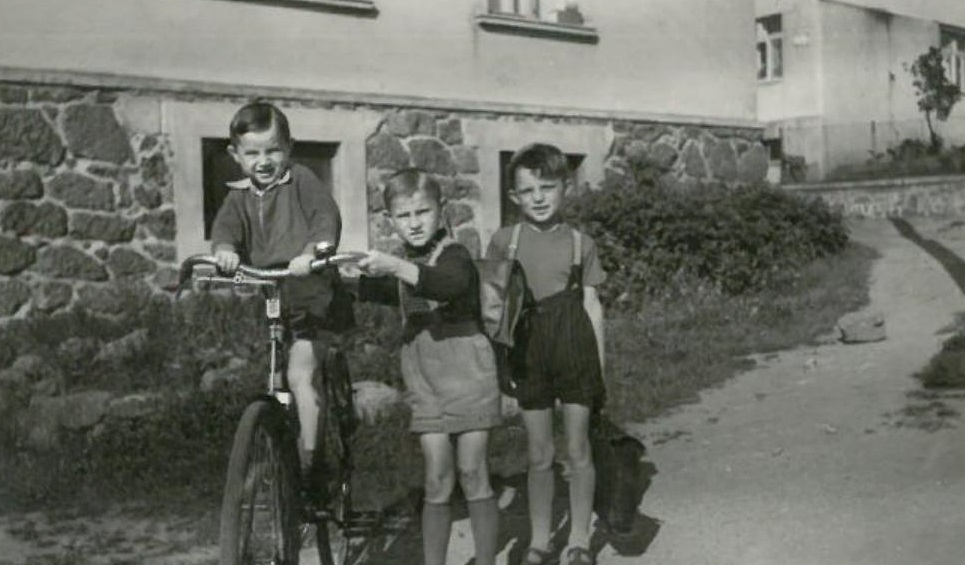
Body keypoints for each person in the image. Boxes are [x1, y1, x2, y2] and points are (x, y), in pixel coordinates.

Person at [350, 168, 501, 565]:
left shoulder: (454, 256)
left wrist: (394, 266)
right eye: (404, 216)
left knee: (472, 471)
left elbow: (446, 284)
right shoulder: (407, 265)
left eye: (423, 212)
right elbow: (376, 289)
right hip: (425, 383)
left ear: (441, 210)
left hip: (469, 376)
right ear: (390, 220)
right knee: (436, 478)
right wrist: (331, 277)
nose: (414, 223)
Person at [210, 101, 353, 505]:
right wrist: (224, 251)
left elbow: (325, 218)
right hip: (276, 294)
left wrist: (312, 251)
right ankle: (277, 441)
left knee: (299, 375)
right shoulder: (238, 196)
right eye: (252, 153)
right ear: (235, 155)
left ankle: (311, 465)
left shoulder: (301, 180)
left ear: (288, 148)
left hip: (315, 294)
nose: (264, 161)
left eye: (273, 150)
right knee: (276, 373)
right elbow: (225, 229)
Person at [485, 143, 606, 565]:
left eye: (547, 187)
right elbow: (493, 310)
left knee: (578, 448)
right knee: (539, 454)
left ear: (565, 188)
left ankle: (579, 540)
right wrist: (498, 368)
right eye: (527, 190)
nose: (538, 198)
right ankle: (540, 541)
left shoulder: (580, 243)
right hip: (527, 352)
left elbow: (592, 307)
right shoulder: (504, 242)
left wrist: (599, 369)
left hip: (574, 349)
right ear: (514, 196)